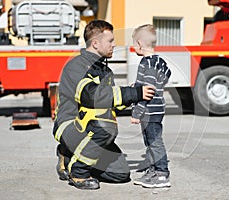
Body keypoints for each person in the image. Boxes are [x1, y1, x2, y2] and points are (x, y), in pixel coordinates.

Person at [53, 20, 155, 190]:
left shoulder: (105, 71)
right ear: (95, 43)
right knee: (107, 127)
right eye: (110, 41)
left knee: (120, 173)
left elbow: (108, 103)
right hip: (71, 124)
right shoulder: (76, 66)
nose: (114, 45)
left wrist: (132, 97)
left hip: (91, 126)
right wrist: (132, 93)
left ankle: (69, 155)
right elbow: (91, 96)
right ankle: (78, 173)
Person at [130, 24, 171, 188]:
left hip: (150, 110)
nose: (134, 48)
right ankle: (153, 170)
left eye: (134, 44)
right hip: (157, 108)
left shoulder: (145, 63)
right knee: (150, 141)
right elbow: (166, 75)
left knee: (154, 142)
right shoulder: (159, 61)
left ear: (139, 43)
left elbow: (147, 90)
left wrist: (136, 112)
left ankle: (162, 174)